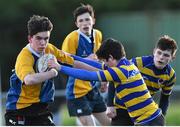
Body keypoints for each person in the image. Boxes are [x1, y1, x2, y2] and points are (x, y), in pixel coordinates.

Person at [49, 38, 165, 126]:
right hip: (151, 118)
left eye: (105, 61)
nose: (105, 64)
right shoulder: (127, 65)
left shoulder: (119, 72)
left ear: (110, 57)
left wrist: (60, 68)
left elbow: (88, 75)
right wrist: (67, 56)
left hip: (150, 121)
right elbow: (95, 65)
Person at [4, 15, 94, 126]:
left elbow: (74, 62)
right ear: (30, 38)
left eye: (46, 38)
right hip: (18, 110)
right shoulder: (25, 57)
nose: (43, 43)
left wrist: (101, 71)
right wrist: (52, 73)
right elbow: (29, 80)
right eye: (39, 38)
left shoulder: (50, 49)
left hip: (40, 109)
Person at [106, 35, 178, 126]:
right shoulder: (138, 63)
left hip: (144, 112)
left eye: (166, 55)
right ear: (154, 52)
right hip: (122, 108)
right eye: (159, 53)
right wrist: (110, 105)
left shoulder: (170, 75)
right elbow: (115, 76)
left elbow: (165, 99)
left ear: (172, 57)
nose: (161, 57)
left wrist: (160, 117)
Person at [61, 4, 109, 126]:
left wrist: (104, 79)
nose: (84, 23)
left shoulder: (97, 34)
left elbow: (100, 60)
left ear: (93, 20)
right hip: (77, 93)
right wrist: (87, 59)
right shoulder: (72, 38)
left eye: (87, 19)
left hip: (92, 89)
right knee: (90, 124)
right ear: (77, 24)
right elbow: (65, 63)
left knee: (110, 123)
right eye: (80, 21)